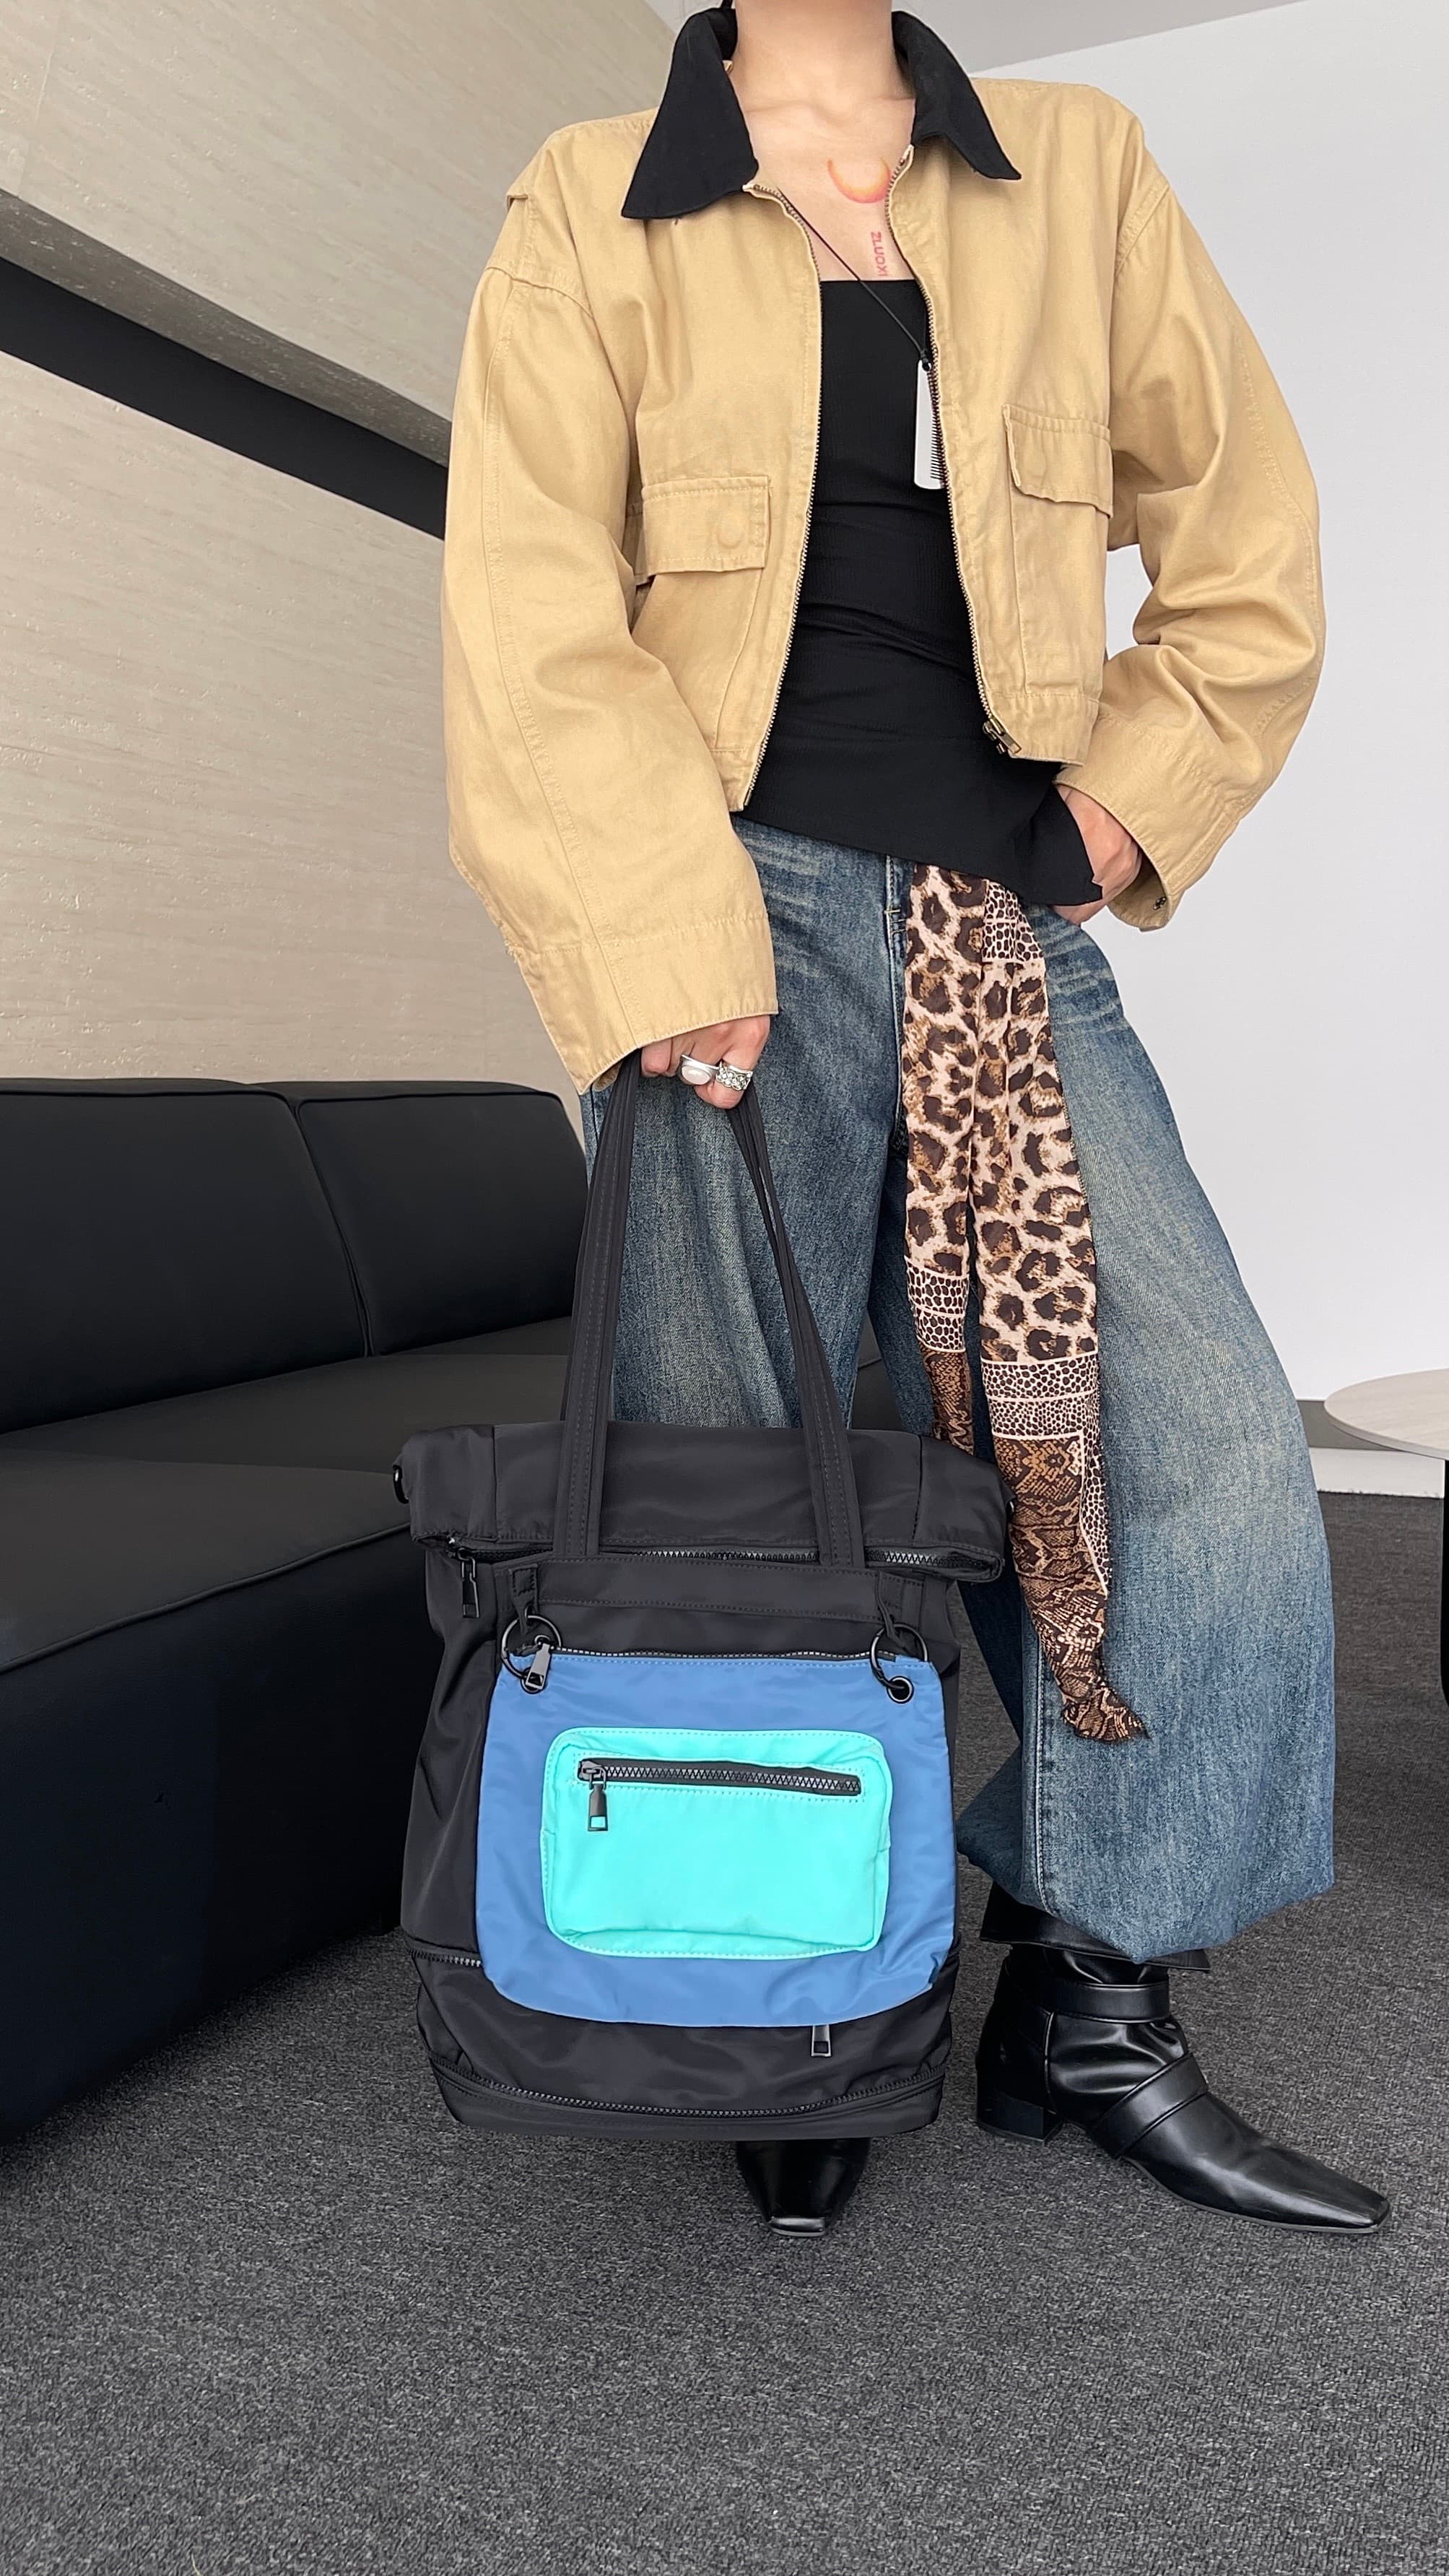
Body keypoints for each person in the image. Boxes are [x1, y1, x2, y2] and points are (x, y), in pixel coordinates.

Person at [440, 2, 1388, 2237]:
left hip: (997, 927)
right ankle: (779, 2002)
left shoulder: (1077, 162)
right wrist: (655, 929)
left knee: (1196, 1455)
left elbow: (1247, 530)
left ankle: (1090, 2000)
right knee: (733, 1483)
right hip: (725, 914)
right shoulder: (592, 197)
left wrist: (1125, 806)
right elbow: (528, 601)